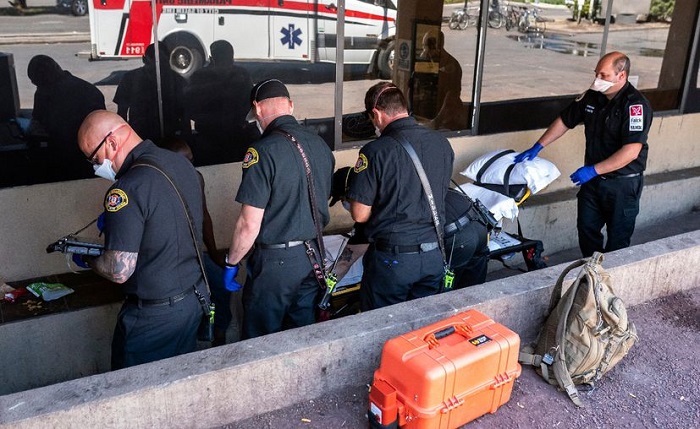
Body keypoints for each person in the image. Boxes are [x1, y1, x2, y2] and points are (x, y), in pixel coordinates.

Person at [75, 110, 207, 370]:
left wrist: (88, 258)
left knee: (133, 396)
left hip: (153, 319)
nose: (95, 167)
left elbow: (119, 270)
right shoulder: (179, 163)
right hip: (192, 300)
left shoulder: (126, 189)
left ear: (112, 143)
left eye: (94, 158)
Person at [224, 79, 334, 339]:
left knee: (261, 340)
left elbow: (249, 224)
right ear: (291, 106)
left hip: (275, 266)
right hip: (313, 257)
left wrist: (232, 262)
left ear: (258, 110)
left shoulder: (261, 151)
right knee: (301, 336)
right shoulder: (321, 145)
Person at [514, 51, 652, 257]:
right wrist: (539, 146)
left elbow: (631, 151)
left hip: (622, 185)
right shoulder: (592, 96)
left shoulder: (635, 106)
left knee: (618, 241)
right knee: (587, 230)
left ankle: (608, 282)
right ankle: (590, 273)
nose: (597, 80)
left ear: (621, 75)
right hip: (593, 183)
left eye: (604, 75)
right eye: (596, 74)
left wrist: (593, 170)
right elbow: (565, 120)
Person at [346, 82, 454, 311]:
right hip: (434, 254)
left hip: (393, 261)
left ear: (376, 114)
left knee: (381, 326)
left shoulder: (375, 152)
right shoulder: (442, 144)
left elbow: (360, 214)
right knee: (421, 330)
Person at [160, 137, 237, 346]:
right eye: (185, 161)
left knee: (221, 283)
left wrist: (212, 252)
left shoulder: (195, 177)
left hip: (195, 255)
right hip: (171, 262)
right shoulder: (156, 184)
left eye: (192, 160)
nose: (190, 166)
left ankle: (219, 336)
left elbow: (204, 216)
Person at [27, 54, 105, 181]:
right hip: (74, 153)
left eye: (40, 82)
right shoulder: (88, 90)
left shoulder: (84, 92)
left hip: (75, 155)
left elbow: (38, 121)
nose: (38, 87)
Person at [186, 40, 259, 164]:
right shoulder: (241, 75)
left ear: (212, 58)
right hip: (236, 137)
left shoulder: (200, 77)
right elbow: (250, 105)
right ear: (231, 57)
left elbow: (190, 109)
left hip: (207, 137)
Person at [113, 44, 187, 144]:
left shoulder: (177, 81)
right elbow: (122, 114)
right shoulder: (130, 79)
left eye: (162, 63)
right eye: (155, 63)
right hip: (139, 136)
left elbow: (185, 116)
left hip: (170, 137)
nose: (158, 69)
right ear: (145, 60)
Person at [443, 188, 490, 288]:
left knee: (448, 293)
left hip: (459, 238)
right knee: (474, 290)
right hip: (478, 223)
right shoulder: (441, 182)